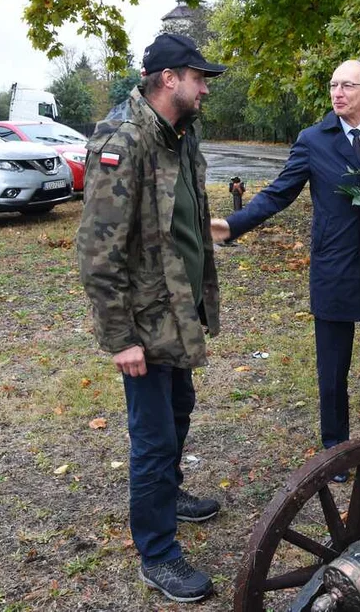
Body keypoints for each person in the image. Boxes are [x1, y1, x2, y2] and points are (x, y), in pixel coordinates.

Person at [210, 60, 360, 478]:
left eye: (347, 85)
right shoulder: (313, 140)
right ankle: (336, 447)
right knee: (333, 363)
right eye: (333, 84)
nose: (337, 92)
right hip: (335, 264)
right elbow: (278, 193)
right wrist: (233, 224)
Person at [77, 32, 226, 603]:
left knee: (179, 410)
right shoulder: (126, 139)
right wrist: (120, 338)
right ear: (170, 78)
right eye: (199, 77)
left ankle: (169, 496)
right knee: (154, 438)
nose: (205, 87)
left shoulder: (180, 134)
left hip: (178, 310)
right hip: (144, 322)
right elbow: (97, 250)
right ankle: (157, 554)